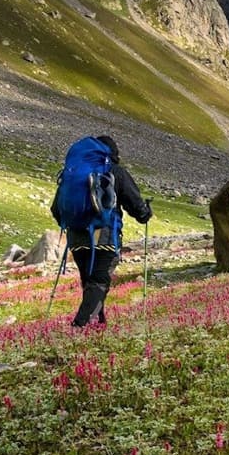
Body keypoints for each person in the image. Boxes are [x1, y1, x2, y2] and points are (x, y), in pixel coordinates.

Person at [51, 135, 152, 327]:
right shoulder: (115, 172)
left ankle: (98, 326)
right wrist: (146, 213)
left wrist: (75, 223)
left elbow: (56, 209)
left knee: (90, 282)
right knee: (99, 282)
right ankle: (80, 327)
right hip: (104, 234)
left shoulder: (74, 173)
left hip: (76, 236)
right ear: (112, 153)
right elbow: (137, 208)